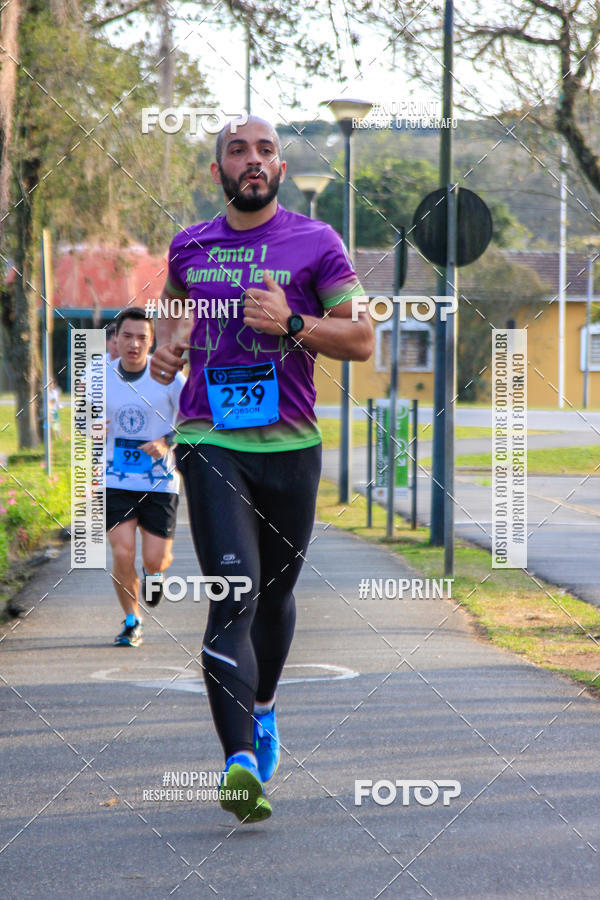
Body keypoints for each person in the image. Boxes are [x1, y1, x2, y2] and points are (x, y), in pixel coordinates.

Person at [151, 116, 373, 823]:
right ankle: (240, 762)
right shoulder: (190, 246)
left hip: (291, 448)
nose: (253, 159)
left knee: (274, 598)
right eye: (238, 150)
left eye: (266, 150)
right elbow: (173, 313)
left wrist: (294, 323)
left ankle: (265, 705)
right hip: (209, 439)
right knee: (234, 593)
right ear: (218, 169)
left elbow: (362, 338)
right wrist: (167, 347)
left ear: (279, 168)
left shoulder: (318, 242)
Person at [103, 307, 185, 647]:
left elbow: (192, 418)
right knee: (122, 553)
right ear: (116, 338)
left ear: (152, 342)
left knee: (155, 559)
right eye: (127, 336)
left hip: (159, 482)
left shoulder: (169, 377)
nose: (133, 344)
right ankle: (131, 620)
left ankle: (155, 575)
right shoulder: (99, 377)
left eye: (142, 338)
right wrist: (91, 427)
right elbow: (82, 420)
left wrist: (166, 441)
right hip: (115, 480)